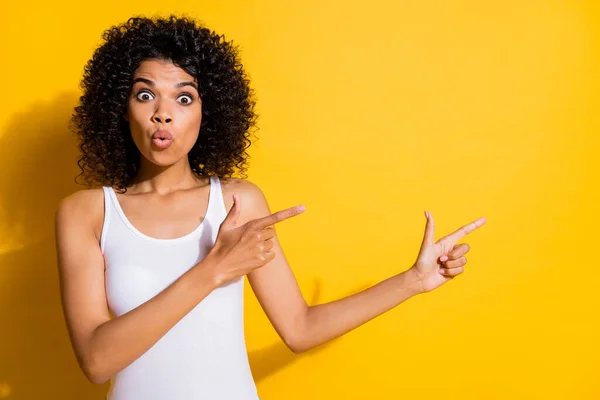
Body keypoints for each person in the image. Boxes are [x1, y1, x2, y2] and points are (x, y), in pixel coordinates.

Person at [55, 15, 486, 400]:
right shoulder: (87, 213)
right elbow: (96, 361)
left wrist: (413, 280)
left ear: (208, 113)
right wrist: (213, 269)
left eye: (184, 98)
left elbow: (299, 329)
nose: (163, 114)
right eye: (145, 96)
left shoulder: (238, 202)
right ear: (120, 108)